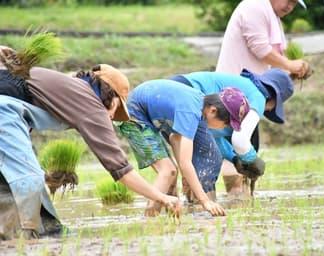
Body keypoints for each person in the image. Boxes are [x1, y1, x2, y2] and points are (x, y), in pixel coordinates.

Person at [0, 46, 181, 240]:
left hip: (8, 107)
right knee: (28, 180)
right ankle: (26, 236)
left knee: (10, 179)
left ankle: (40, 232)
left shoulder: (67, 89)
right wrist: (161, 197)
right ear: (111, 99)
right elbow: (121, 170)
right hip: (4, 108)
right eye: (116, 111)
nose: (112, 118)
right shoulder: (92, 106)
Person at [114, 79, 250, 217]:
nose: (224, 128)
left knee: (172, 173)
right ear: (213, 110)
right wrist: (205, 201)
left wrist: (186, 174)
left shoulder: (198, 104)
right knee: (168, 171)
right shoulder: (190, 111)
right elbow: (186, 162)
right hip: (134, 115)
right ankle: (150, 219)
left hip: (144, 111)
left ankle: (170, 218)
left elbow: (174, 138)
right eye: (226, 123)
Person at [215, 0, 309, 194]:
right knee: (235, 150)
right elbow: (261, 49)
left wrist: (292, 69)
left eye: (294, 4)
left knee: (246, 148)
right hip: (232, 95)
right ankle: (236, 199)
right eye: (288, 0)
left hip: (249, 94)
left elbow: (270, 60)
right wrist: (290, 65)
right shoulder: (254, 7)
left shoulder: (272, 17)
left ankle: (242, 201)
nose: (290, 6)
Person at [169, 68, 294, 195]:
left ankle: (180, 207)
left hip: (171, 91)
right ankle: (205, 209)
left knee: (179, 167)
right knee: (210, 158)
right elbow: (240, 140)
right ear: (273, 100)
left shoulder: (245, 87)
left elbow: (213, 134)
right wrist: (252, 159)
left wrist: (233, 158)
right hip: (187, 93)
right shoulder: (259, 97)